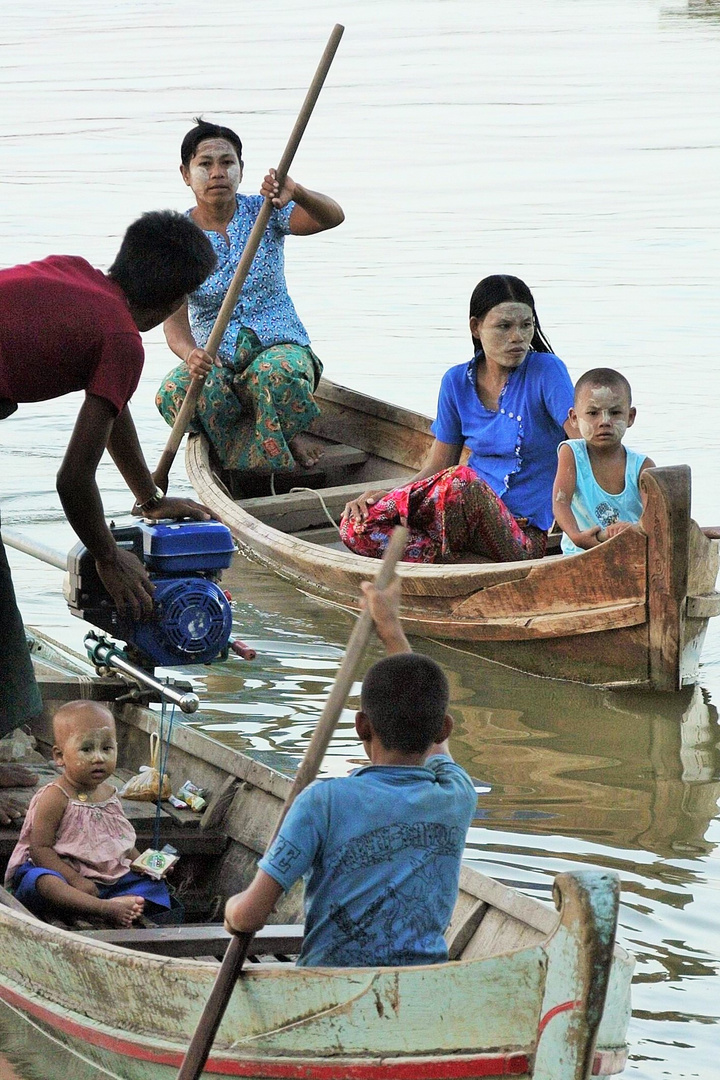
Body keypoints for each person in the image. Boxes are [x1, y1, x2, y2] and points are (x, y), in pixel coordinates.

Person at [0, 209, 217, 748]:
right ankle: (10, 737)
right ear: (176, 299)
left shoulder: (79, 276)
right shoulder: (122, 338)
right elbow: (73, 479)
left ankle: (14, 728)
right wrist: (107, 555)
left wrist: (150, 498)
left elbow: (111, 409)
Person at [223, 579, 477, 967]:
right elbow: (432, 729)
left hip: (327, 986)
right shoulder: (456, 794)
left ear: (361, 727)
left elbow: (250, 917)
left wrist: (231, 909)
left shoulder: (322, 802)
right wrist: (392, 631)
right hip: (425, 985)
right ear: (444, 728)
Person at [341, 275, 574, 563]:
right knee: (355, 526)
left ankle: (452, 561)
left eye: (526, 325)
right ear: (476, 328)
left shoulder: (546, 371)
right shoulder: (455, 382)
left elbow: (583, 443)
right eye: (504, 326)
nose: (518, 337)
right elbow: (439, 466)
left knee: (462, 480)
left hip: (520, 535)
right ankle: (462, 563)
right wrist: (386, 497)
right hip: (460, 522)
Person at [155, 117, 345, 472]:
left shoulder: (265, 212)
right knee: (174, 392)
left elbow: (332, 217)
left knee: (277, 373)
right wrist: (190, 353)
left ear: (241, 169)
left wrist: (297, 191)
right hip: (219, 361)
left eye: (227, 163)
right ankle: (266, 445)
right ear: (185, 173)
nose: (217, 173)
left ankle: (278, 438)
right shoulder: (176, 240)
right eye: (205, 164)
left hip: (277, 348)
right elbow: (174, 328)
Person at [5, 701, 172, 927]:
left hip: (108, 878)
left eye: (106, 749)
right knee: (42, 882)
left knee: (154, 884)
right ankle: (104, 908)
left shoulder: (110, 794)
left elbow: (121, 842)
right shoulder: (55, 796)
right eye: (87, 749)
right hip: (66, 876)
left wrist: (147, 863)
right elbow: (40, 849)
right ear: (59, 756)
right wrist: (75, 879)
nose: (98, 758)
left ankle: (102, 907)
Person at [553, 368, 654, 554]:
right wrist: (576, 536)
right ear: (574, 418)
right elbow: (561, 502)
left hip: (630, 552)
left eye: (615, 413)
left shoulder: (642, 467)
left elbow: (654, 520)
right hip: (580, 553)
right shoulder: (571, 453)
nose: (604, 421)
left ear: (630, 417)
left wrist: (631, 529)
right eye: (593, 413)